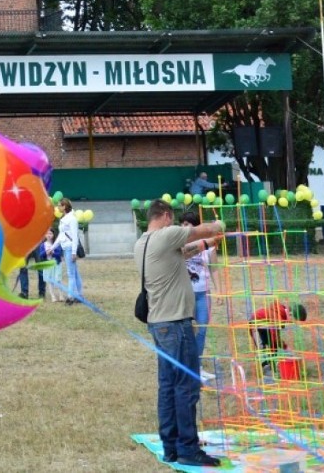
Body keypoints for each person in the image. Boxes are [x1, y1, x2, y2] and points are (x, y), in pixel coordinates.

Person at [134, 198, 225, 468]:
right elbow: (199, 230)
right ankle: (187, 447)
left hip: (160, 323)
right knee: (186, 385)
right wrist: (221, 224)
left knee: (168, 386)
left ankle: (171, 446)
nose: (173, 224)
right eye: (171, 219)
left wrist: (207, 246)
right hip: (175, 324)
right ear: (164, 216)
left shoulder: (143, 242)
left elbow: (183, 252)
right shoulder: (166, 234)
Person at [181, 209, 218, 378]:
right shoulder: (181, 244)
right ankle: (188, 367)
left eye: (187, 224)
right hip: (186, 294)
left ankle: (198, 365)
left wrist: (219, 291)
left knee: (202, 329)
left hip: (203, 292)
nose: (183, 227)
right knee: (188, 330)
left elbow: (214, 268)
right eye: (182, 224)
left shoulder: (208, 245)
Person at [249, 299, 308, 373]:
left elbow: (275, 337)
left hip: (265, 326)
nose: (292, 322)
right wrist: (287, 349)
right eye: (294, 320)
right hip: (255, 325)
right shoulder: (277, 317)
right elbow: (275, 338)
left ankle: (272, 367)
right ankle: (266, 368)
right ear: (290, 314)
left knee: (273, 345)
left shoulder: (281, 315)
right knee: (262, 347)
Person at [58, 198, 83, 305]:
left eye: (59, 205)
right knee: (75, 273)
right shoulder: (65, 218)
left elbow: (75, 236)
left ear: (64, 207)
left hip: (69, 248)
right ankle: (79, 295)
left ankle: (70, 297)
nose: (58, 207)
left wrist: (74, 252)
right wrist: (53, 247)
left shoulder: (72, 219)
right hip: (66, 247)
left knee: (71, 274)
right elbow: (61, 235)